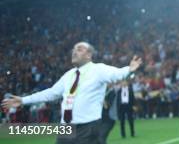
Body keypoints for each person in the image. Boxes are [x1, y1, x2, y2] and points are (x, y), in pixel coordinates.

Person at [1, 42, 142, 144]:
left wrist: (129, 69)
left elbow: (117, 74)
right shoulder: (68, 75)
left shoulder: (98, 70)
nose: (74, 51)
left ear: (89, 55)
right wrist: (23, 100)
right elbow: (51, 93)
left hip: (88, 127)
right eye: (74, 49)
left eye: (79, 49)